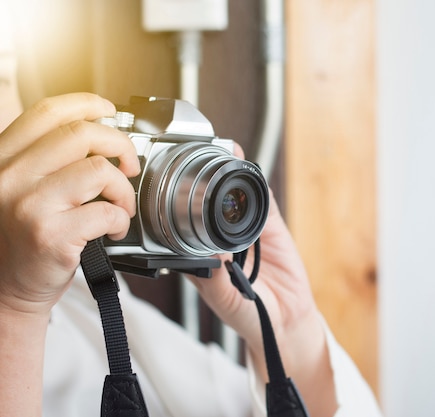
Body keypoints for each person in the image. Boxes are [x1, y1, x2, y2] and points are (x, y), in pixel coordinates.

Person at [0, 20, 382, 417]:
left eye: (6, 79)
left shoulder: (92, 301)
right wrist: (13, 311)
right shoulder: (47, 294)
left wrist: (289, 325)